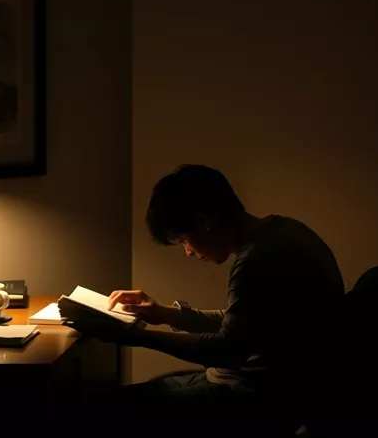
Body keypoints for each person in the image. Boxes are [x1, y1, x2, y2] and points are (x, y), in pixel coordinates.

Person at [73, 164, 347, 429]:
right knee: (122, 398)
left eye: (183, 241)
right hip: (260, 387)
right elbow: (242, 326)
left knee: (102, 410)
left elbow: (227, 349)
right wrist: (167, 314)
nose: (188, 252)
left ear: (203, 222)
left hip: (259, 402)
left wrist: (136, 337)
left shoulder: (256, 260)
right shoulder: (287, 230)